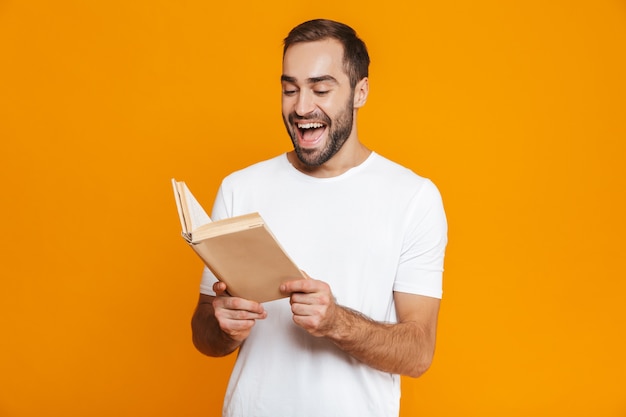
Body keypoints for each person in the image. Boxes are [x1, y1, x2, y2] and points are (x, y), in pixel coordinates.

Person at [191, 18, 448, 417]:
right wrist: (223, 327)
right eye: (290, 89)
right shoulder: (239, 189)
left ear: (360, 91)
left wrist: (336, 322)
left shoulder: (414, 198)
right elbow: (205, 337)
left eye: (321, 89)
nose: (301, 107)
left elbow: (418, 353)